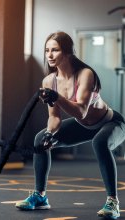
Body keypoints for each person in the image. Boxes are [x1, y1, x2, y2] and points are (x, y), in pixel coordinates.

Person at [15, 31, 125, 219]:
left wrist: (57, 97)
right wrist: (50, 133)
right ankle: (40, 197)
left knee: (100, 142)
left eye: (55, 50)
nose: (49, 55)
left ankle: (112, 202)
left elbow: (81, 110)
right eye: (47, 50)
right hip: (82, 126)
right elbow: (54, 117)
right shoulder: (49, 81)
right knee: (40, 138)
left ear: (67, 53)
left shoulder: (85, 74)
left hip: (111, 122)